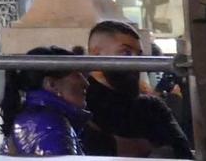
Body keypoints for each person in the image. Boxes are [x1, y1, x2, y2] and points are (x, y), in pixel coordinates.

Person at [82, 18, 192, 157]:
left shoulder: (151, 107)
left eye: (139, 54)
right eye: (126, 52)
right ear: (96, 55)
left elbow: (182, 154)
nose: (136, 62)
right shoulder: (81, 105)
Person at [0, 46, 92, 156]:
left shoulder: (38, 119)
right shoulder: (49, 126)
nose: (86, 83)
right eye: (77, 75)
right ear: (52, 85)